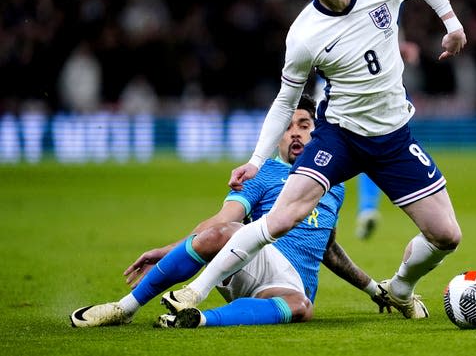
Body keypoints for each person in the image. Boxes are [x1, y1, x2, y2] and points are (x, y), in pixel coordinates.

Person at [162, 0, 466, 320]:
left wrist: (452, 24)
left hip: (393, 138)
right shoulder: (304, 34)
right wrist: (256, 161)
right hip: (339, 136)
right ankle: (195, 290)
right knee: (282, 218)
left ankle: (400, 288)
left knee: (446, 235)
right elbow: (286, 101)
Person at [70, 94, 390, 328]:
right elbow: (223, 222)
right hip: (250, 259)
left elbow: (329, 249)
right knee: (226, 233)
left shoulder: (334, 183)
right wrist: (171, 250)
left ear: (317, 134)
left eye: (304, 125)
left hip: (288, 287)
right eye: (286, 128)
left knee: (302, 307)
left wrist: (375, 290)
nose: (294, 133)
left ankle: (197, 319)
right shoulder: (262, 173)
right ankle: (123, 308)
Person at [345, 0, 421, 240]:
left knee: (374, 142)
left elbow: (386, 33)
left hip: (377, 85)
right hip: (340, 88)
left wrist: (403, 46)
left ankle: (365, 208)